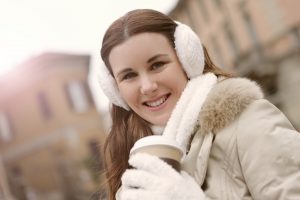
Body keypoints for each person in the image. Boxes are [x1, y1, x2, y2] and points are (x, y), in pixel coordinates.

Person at [98, 9, 300, 200]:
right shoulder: (134, 157)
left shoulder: (250, 123)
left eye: (157, 65)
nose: (148, 86)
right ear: (115, 90)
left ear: (187, 60)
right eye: (129, 75)